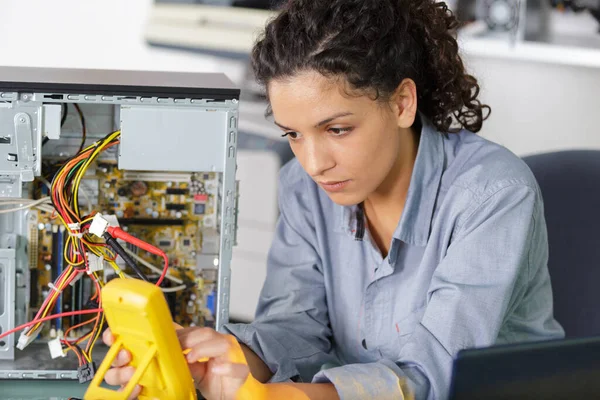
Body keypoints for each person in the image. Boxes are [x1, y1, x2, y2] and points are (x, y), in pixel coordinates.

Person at [102, 0, 565, 398]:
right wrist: (228, 359)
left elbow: (434, 379)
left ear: (403, 103)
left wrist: (278, 396)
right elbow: (296, 328)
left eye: (337, 129)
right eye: (293, 135)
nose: (313, 162)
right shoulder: (305, 190)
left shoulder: (493, 195)